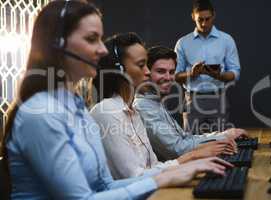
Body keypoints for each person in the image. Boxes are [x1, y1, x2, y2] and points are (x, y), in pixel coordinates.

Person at [0, 1, 232, 199]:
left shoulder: (76, 107)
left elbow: (106, 187)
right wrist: (167, 176)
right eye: (92, 39)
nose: (102, 50)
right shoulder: (40, 113)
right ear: (58, 44)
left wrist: (175, 171)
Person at [90, 32, 232, 180]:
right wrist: (192, 157)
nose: (147, 72)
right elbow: (134, 178)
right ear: (119, 71)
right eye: (141, 65)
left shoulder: (133, 112)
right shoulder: (106, 112)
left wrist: (195, 162)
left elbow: (153, 165)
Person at [134, 46, 247, 161]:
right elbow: (177, 149)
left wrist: (224, 135)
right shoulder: (143, 106)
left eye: (172, 72)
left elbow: (185, 138)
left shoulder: (154, 102)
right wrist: (223, 137)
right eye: (160, 71)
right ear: (146, 73)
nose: (168, 77)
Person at [175, 0, 241, 134]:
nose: (204, 23)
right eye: (200, 20)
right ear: (193, 16)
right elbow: (175, 75)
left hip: (218, 99)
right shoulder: (183, 43)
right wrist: (191, 74)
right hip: (191, 100)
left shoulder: (226, 40)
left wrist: (219, 75)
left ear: (214, 15)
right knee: (189, 144)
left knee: (222, 144)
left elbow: (235, 72)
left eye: (207, 19)